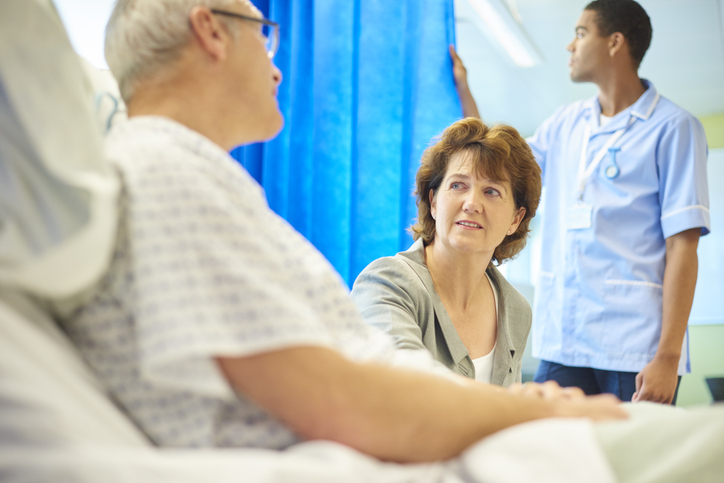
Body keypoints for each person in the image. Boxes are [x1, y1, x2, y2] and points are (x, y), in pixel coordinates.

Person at [3, 1, 724, 481]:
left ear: (516, 219)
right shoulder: (165, 169)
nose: (277, 57)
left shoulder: (198, 178)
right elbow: (341, 399)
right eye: (265, 29)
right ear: (211, 30)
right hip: (453, 453)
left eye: (496, 193)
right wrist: (537, 406)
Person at [450, 0, 710, 405]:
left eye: (581, 33)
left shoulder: (673, 129)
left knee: (627, 466)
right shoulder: (565, 123)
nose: (570, 47)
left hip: (633, 347)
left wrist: (668, 357)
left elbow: (683, 245)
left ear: (615, 42)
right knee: (559, 460)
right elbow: (500, 166)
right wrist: (464, 89)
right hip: (563, 340)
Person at [351, 118, 540, 386]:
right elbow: (403, 386)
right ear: (434, 201)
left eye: (491, 191)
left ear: (515, 219)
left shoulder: (516, 310)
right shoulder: (387, 283)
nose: (472, 203)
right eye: (458, 185)